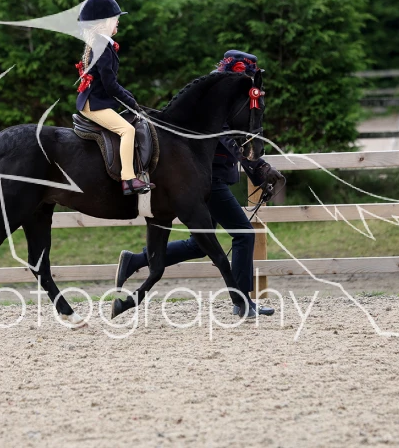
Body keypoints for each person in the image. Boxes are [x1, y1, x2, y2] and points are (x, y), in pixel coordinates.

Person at [115, 50, 283, 317]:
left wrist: (258, 170)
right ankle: (243, 302)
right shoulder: (217, 97)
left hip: (211, 176)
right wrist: (258, 168)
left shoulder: (218, 92)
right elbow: (227, 138)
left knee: (198, 243)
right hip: (207, 179)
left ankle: (136, 260)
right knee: (243, 233)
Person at [75, 0, 154, 196]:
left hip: (96, 100)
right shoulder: (102, 46)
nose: (118, 21)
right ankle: (128, 179)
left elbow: (110, 83)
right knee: (127, 130)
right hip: (94, 104)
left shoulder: (101, 44)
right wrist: (131, 102)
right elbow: (110, 85)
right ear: (104, 23)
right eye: (115, 18)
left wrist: (130, 98)